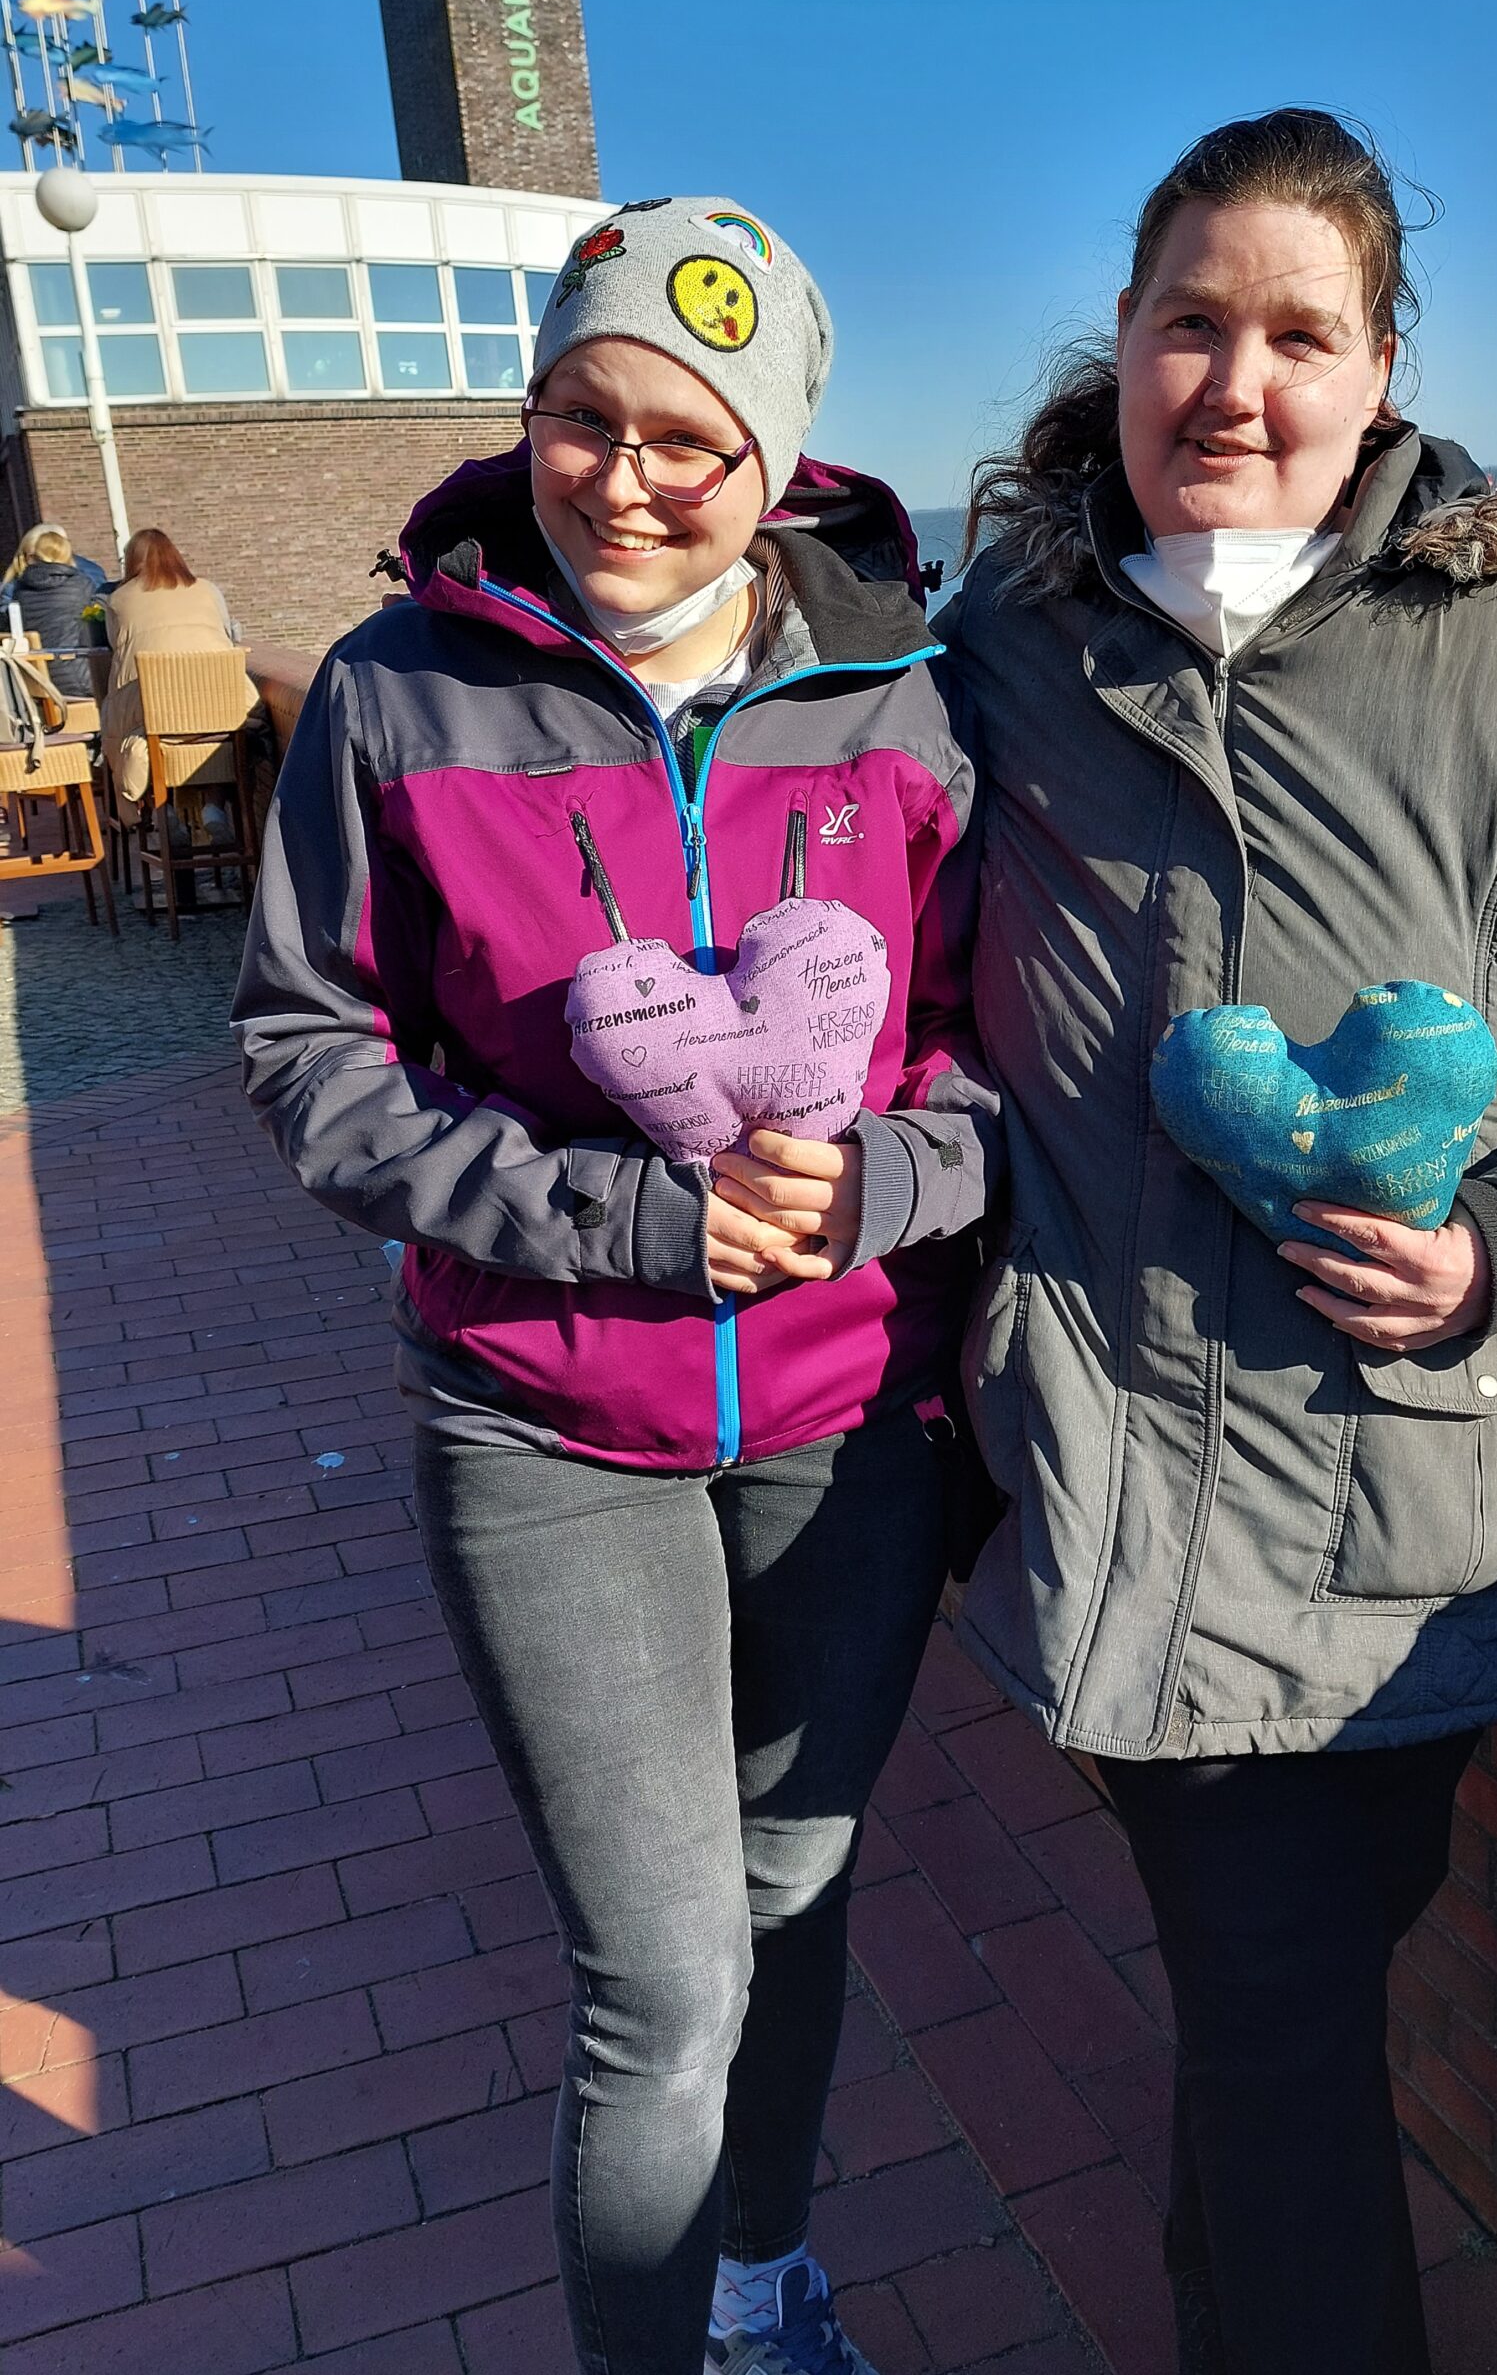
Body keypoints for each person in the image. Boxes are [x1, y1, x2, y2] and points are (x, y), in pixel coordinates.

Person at [935, 109, 1497, 2375]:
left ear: (1385, 366)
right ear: (1115, 346)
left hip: (1410, 1485)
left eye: (1295, 333)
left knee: (1276, 2007)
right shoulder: (1011, 635)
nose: (1237, 381)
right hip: (1115, 1468)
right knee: (1273, 2004)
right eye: (1190, 323)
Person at [233, 196, 998, 2375]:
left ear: (778, 465)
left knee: (794, 1898)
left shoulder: (912, 704)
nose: (631, 476)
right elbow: (307, 1054)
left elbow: (986, 1061)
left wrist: (870, 1189)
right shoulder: (398, 689)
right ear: (534, 412)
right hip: (547, 1429)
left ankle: (764, 2286)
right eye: (588, 413)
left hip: (850, 1428)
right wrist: (631, 1219)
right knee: (661, 1980)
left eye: (694, 437)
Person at [101, 525, 242, 818]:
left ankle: (161, 811)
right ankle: (214, 809)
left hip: (157, 716)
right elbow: (229, 634)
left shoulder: (118, 600)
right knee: (216, 732)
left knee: (142, 730)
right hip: (221, 708)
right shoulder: (207, 589)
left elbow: (116, 647)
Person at [0, 524, 104, 697]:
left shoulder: (19, 591)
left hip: (35, 684)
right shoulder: (83, 584)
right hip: (79, 683)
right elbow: (100, 628)